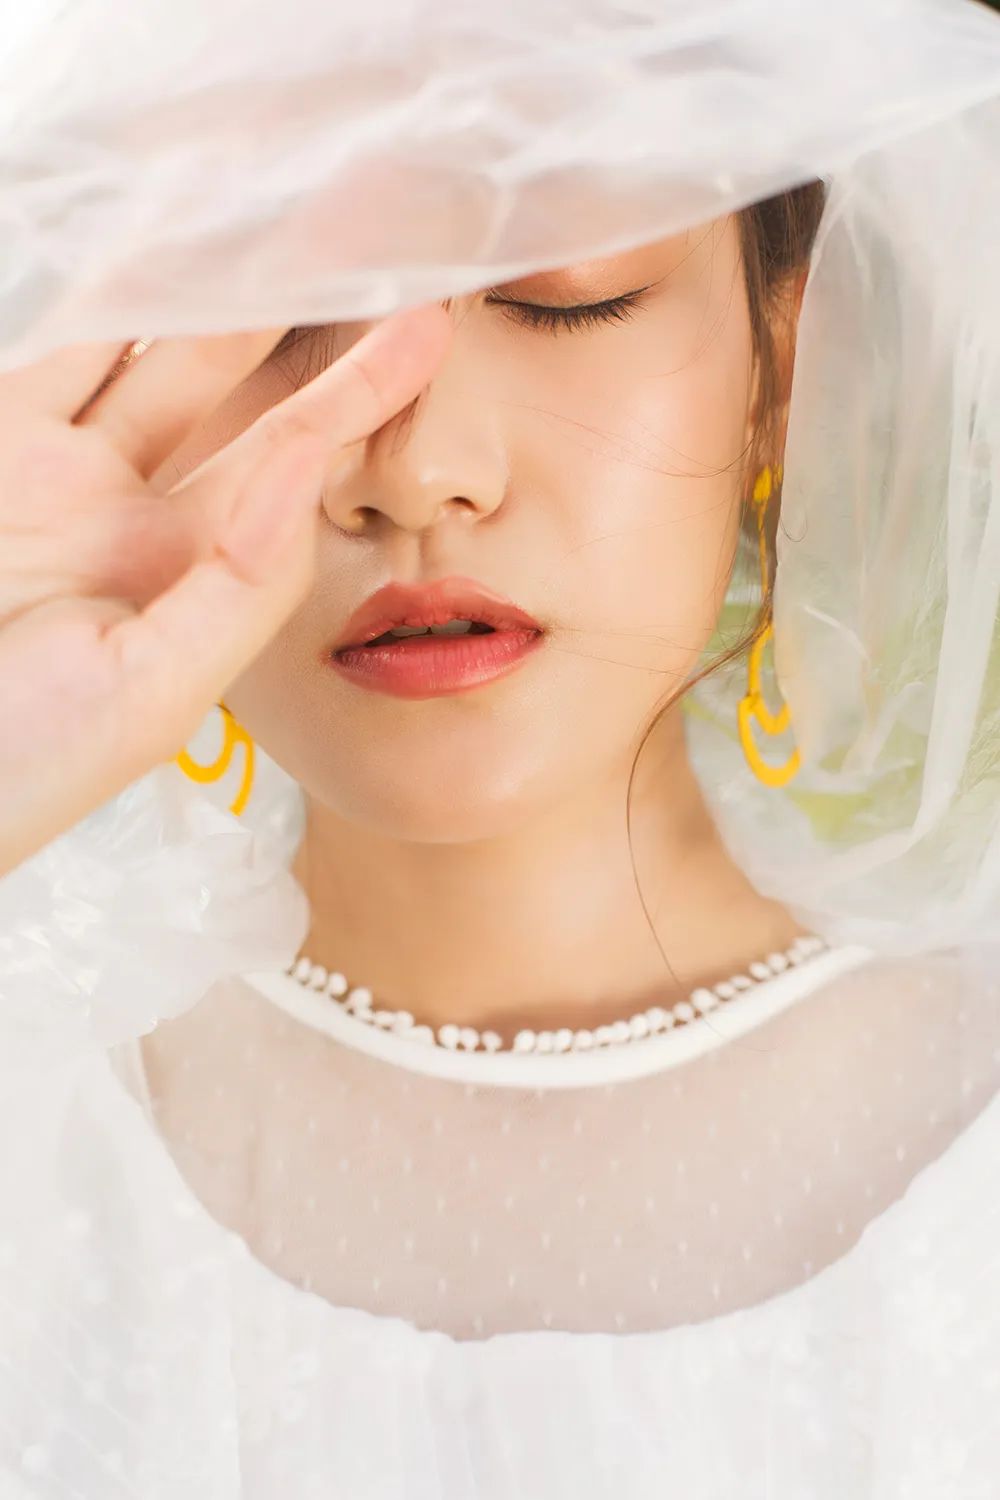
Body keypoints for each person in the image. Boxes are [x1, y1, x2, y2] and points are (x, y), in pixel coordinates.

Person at [1, 3, 1000, 1496]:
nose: (420, 472)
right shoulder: (38, 1121)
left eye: (563, 296)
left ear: (781, 363)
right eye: (270, 314)